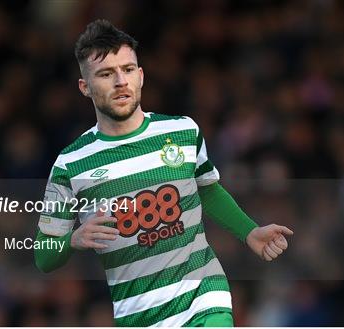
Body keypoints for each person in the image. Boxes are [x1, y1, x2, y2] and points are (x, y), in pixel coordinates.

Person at [34, 19, 293, 327]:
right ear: (85, 87)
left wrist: (248, 231)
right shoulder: (71, 164)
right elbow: (43, 254)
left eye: (128, 70)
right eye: (106, 74)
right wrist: (73, 239)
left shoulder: (183, 131)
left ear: (140, 76)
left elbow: (207, 189)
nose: (120, 81)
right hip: (137, 315)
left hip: (204, 299)